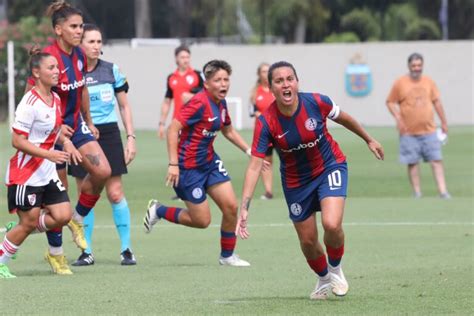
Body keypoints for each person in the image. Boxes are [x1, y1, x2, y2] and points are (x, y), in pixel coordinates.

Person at [236, 61, 384, 299]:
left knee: (332, 224)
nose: (286, 84)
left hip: (329, 166)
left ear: (296, 82)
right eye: (279, 81)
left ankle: (336, 270)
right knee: (308, 241)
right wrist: (244, 207)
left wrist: (369, 139)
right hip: (296, 182)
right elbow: (255, 166)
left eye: (290, 79)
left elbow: (344, 118)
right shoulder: (266, 121)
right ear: (271, 88)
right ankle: (324, 278)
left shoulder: (316, 102)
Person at [25, 0, 111, 274]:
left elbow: (82, 89)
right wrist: (57, 131)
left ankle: (77, 218)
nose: (79, 31)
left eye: (80, 26)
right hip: (52, 135)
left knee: (103, 171)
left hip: (77, 125)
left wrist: (89, 119)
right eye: (74, 27)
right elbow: (34, 98)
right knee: (56, 199)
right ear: (58, 29)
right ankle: (56, 255)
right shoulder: (49, 59)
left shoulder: (80, 55)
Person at [144, 60, 251, 267]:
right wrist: (173, 164)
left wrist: (248, 150)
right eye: (218, 80)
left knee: (231, 206)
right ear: (207, 83)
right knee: (202, 221)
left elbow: (227, 130)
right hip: (187, 168)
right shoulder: (198, 103)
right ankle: (159, 210)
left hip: (209, 162)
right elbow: (172, 129)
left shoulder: (221, 104)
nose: (223, 84)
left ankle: (227, 256)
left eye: (226, 79)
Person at [0, 49, 72, 278]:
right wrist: (49, 155)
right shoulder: (29, 102)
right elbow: (17, 140)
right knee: (28, 222)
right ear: (36, 72)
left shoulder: (57, 99)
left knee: (62, 215)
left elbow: (52, 130)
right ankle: (2, 259)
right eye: (50, 68)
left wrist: (65, 141)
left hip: (47, 172)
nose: (56, 71)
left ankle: (20, 230)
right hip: (26, 173)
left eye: (56, 67)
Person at [69, 24, 137, 266]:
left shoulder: (112, 70)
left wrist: (130, 137)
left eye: (99, 42)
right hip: (80, 134)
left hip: (108, 133)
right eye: (91, 42)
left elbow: (124, 106)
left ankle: (127, 249)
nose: (96, 46)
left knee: (115, 192)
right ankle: (86, 251)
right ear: (80, 44)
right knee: (85, 193)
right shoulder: (72, 72)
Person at [386, 53, 450, 199]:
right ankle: (417, 192)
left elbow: (437, 102)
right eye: (414, 65)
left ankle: (443, 191)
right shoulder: (400, 83)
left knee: (436, 160)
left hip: (429, 129)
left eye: (419, 65)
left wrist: (444, 122)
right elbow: (390, 101)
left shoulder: (429, 82)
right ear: (409, 66)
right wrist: (397, 117)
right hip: (408, 131)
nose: (417, 68)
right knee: (413, 162)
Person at [157, 45, 204, 139]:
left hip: (195, 121)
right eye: (182, 57)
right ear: (176, 59)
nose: (186, 60)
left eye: (187, 57)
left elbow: (208, 95)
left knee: (196, 152)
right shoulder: (171, 77)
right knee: (178, 152)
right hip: (178, 122)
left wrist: (192, 96)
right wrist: (162, 124)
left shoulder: (198, 75)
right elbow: (167, 102)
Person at [249, 62, 275, 200]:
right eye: (263, 71)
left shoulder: (276, 88)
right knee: (266, 161)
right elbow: (251, 110)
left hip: (280, 130)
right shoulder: (255, 92)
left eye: (268, 71)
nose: (266, 73)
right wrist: (258, 113)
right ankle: (268, 191)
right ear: (259, 74)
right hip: (264, 132)